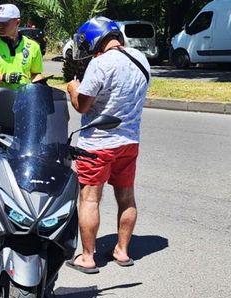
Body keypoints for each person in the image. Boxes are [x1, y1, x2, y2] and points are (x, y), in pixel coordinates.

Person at [65, 17, 150, 274]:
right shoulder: (141, 58)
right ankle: (122, 251)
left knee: (90, 198)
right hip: (129, 141)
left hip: (98, 144)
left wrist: (72, 89)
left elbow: (83, 105)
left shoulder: (100, 64)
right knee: (126, 196)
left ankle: (88, 257)